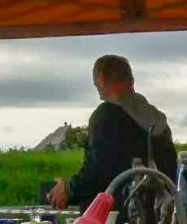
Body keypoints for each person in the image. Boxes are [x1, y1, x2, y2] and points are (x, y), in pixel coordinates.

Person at [49, 55, 177, 210]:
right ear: (131, 79)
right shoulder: (156, 119)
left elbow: (96, 170)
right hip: (159, 216)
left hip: (117, 220)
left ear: (101, 79)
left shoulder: (106, 115)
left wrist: (68, 189)